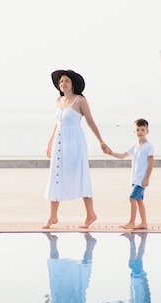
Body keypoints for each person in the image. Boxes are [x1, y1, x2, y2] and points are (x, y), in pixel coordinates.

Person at [43, 69, 112, 229]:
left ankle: (90, 214)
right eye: (61, 81)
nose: (63, 83)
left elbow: (90, 121)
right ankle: (53, 217)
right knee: (55, 176)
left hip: (74, 143)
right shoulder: (58, 100)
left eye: (66, 80)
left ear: (72, 84)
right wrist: (50, 141)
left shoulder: (80, 100)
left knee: (81, 176)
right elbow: (58, 123)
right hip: (59, 142)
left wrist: (101, 141)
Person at [109, 118, 154, 229]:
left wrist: (147, 178)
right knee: (139, 201)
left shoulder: (149, 146)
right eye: (137, 130)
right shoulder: (135, 147)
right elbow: (123, 156)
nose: (140, 132)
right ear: (134, 132)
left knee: (132, 198)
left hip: (141, 179)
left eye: (143, 129)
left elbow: (151, 163)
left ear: (147, 131)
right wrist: (111, 153)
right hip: (135, 179)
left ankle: (131, 222)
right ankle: (144, 223)